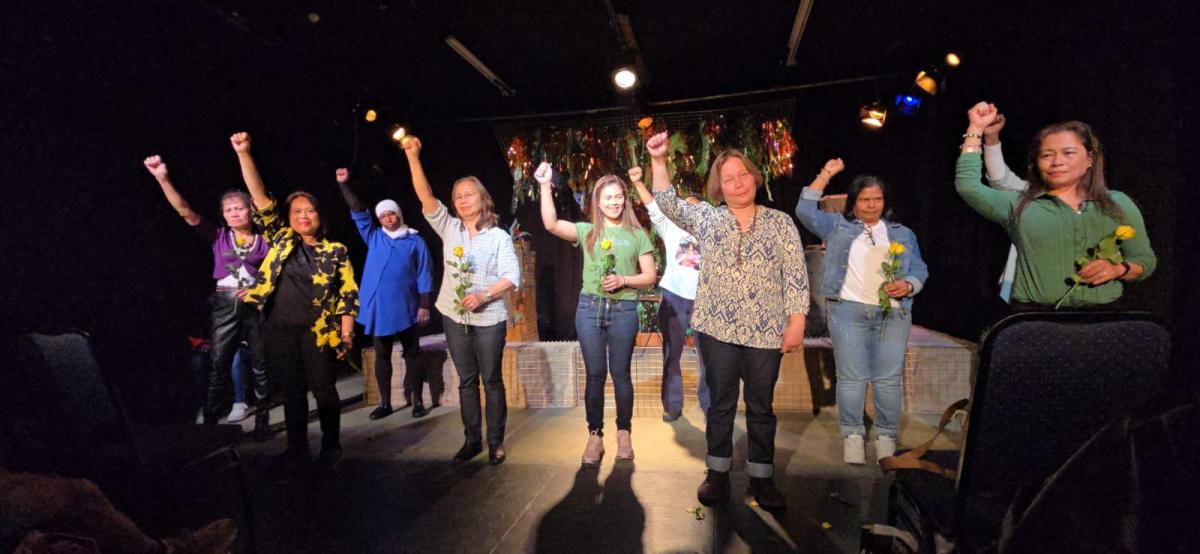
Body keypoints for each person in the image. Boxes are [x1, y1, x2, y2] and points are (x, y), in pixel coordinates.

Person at [648, 131, 808, 508]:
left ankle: (762, 478)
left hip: (765, 331)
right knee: (720, 404)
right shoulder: (708, 217)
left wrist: (797, 321)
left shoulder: (780, 222)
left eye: (743, 175)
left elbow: (795, 274)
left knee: (761, 407)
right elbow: (668, 203)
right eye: (728, 179)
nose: (737, 183)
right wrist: (658, 160)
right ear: (718, 187)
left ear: (755, 177)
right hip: (717, 329)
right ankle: (717, 474)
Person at [233, 132, 359, 471]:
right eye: (297, 211)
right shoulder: (280, 239)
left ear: (320, 215)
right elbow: (260, 199)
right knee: (291, 392)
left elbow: (348, 295)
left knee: (324, 391)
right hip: (279, 329)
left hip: (318, 333)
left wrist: (346, 334)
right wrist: (245, 153)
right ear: (289, 216)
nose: (304, 216)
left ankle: (331, 447)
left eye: (310, 210)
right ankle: (297, 448)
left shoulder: (336, 251)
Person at [956, 102, 1156, 310]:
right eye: (1046, 155)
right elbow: (968, 186)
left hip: (1103, 318)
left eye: (1068, 153)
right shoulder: (1020, 204)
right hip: (1035, 317)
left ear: (1090, 158)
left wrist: (1118, 269)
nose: (1057, 162)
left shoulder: (1117, 203)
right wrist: (975, 129)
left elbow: (1144, 260)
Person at [794, 159, 929, 464]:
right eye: (865, 199)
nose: (871, 205)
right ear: (853, 202)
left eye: (877, 199)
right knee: (852, 378)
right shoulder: (837, 226)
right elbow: (804, 210)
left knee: (888, 379)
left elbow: (920, 268)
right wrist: (826, 174)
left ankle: (886, 436)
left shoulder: (902, 233)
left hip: (892, 314)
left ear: (885, 201)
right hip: (848, 312)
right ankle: (853, 435)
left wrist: (909, 284)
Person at [401, 135, 520, 465]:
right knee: (466, 381)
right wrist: (413, 157)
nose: (463, 200)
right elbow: (425, 196)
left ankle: (495, 442)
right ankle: (471, 440)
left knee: (491, 380)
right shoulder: (449, 228)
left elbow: (512, 276)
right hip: (455, 317)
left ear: (483, 198)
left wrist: (484, 295)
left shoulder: (498, 237)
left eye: (469, 194)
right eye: (458, 197)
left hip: (489, 317)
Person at [142, 154, 271, 438]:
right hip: (224, 303)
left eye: (240, 208)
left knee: (260, 364)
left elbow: (274, 273)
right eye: (228, 209)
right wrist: (163, 179)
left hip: (255, 303)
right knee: (218, 362)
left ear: (251, 210)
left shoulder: (265, 240)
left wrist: (258, 289)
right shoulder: (219, 236)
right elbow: (185, 211)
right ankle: (211, 423)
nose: (234, 213)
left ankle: (263, 419)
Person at [536, 162, 656, 465]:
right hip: (589, 310)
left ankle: (624, 433)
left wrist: (624, 279)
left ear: (625, 199)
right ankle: (595, 436)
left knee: (621, 374)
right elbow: (551, 224)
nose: (614, 202)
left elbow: (650, 276)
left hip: (624, 310)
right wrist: (544, 186)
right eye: (608, 198)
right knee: (595, 374)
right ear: (598, 203)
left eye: (618, 197)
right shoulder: (587, 231)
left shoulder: (637, 234)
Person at [335, 168, 434, 420]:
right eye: (383, 216)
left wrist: (424, 305)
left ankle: (418, 402)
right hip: (379, 308)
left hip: (406, 306)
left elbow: (424, 274)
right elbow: (358, 210)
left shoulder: (415, 241)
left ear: (399, 214)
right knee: (382, 354)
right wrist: (344, 185)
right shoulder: (374, 237)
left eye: (392, 214)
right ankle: (386, 403)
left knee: (412, 353)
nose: (388, 219)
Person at [626, 166, 709, 422]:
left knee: (709, 358)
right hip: (675, 296)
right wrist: (638, 183)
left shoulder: (711, 231)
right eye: (687, 206)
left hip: (706, 299)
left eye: (697, 207)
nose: (691, 210)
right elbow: (652, 206)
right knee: (672, 355)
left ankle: (710, 407)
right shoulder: (670, 227)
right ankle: (672, 406)